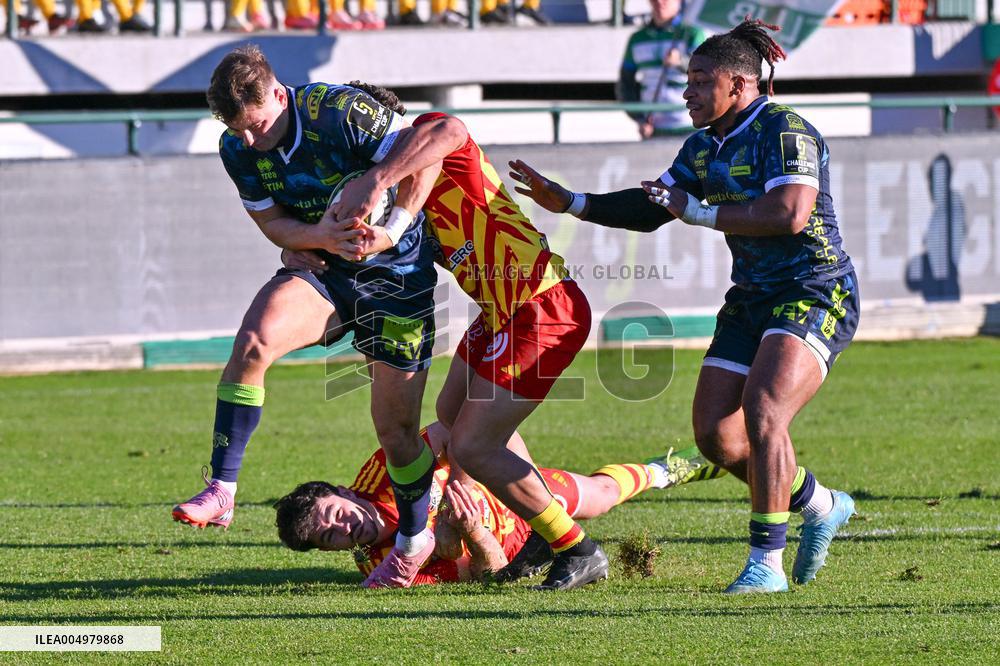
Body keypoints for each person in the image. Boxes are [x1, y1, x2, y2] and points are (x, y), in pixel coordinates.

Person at [507, 18, 859, 594]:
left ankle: (764, 565)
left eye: (699, 80)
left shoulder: (786, 130)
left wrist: (699, 213)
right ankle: (819, 502)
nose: (687, 92)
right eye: (687, 80)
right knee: (717, 439)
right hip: (751, 297)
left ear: (740, 85)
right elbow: (653, 206)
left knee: (765, 411)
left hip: (814, 288)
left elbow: (791, 213)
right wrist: (569, 201)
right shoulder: (701, 145)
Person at [297, 86, 605, 591]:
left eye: (355, 131)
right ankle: (536, 531)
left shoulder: (428, 138)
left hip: (540, 305)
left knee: (474, 446)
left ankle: (576, 547)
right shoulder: (404, 196)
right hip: (501, 313)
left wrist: (377, 179)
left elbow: (452, 129)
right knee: (450, 412)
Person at [171, 47, 445, 593]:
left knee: (396, 433)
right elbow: (272, 221)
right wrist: (315, 238)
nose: (248, 140)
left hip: (397, 279)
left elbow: (430, 150)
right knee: (253, 344)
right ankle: (222, 488)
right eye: (236, 129)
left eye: (257, 126)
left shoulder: (336, 111)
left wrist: (394, 225)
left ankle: (414, 541)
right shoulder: (236, 148)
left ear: (278, 95)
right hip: (327, 273)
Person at [274, 422, 726, 583]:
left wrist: (466, 484)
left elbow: (450, 430)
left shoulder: (383, 473)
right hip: (515, 547)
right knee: (590, 505)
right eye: (329, 538)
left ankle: (672, 469)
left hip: (500, 478)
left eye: (335, 515)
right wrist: (475, 532)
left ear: (347, 493)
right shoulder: (385, 564)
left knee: (600, 497)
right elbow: (482, 577)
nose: (343, 529)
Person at [618, 0, 706, 139]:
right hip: (653, 130)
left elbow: (706, 74)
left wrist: (681, 62)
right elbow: (625, 84)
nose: (660, 2)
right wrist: (639, 118)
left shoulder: (693, 34)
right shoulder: (636, 39)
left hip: (690, 127)